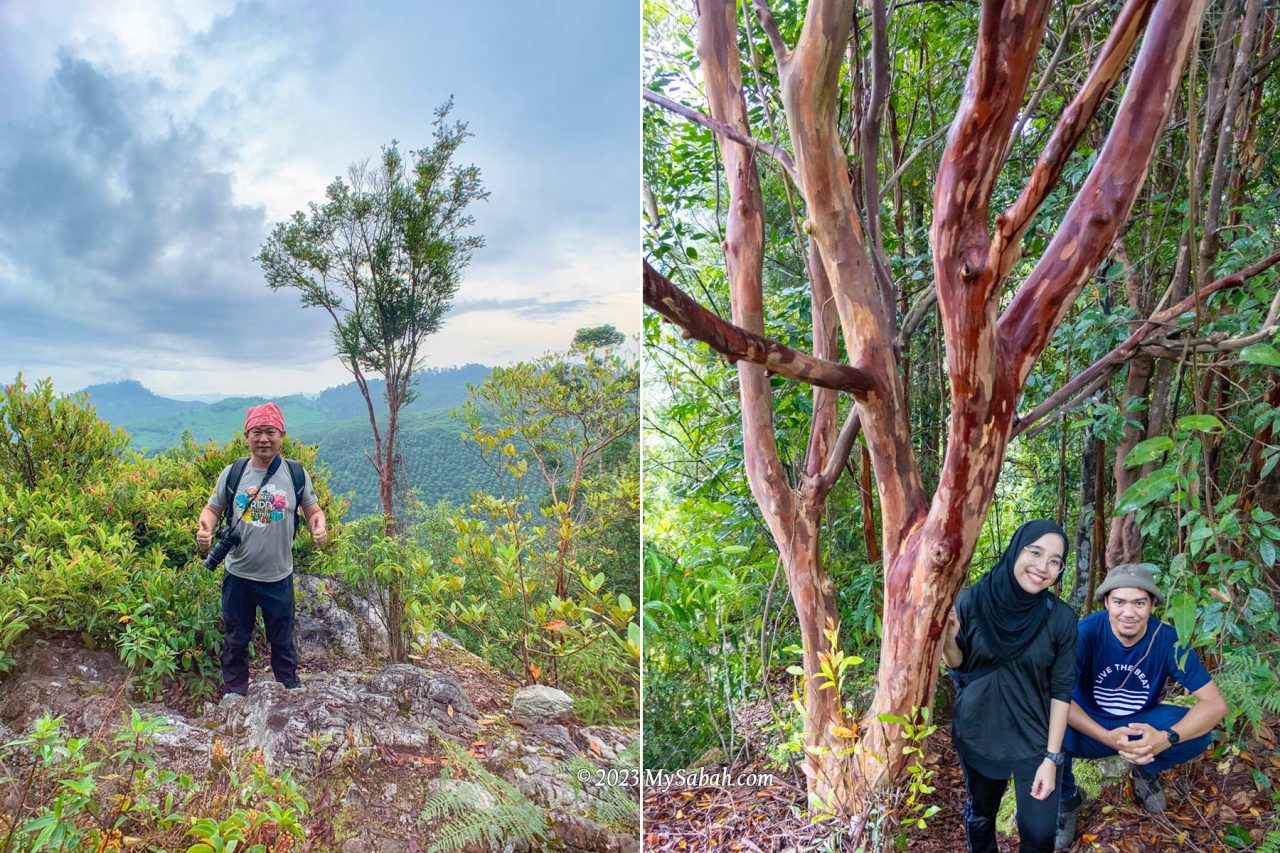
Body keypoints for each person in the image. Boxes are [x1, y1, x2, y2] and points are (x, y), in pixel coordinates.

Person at [1054, 563, 1227, 850]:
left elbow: (1215, 705)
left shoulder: (1167, 638)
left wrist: (1165, 738)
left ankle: (1145, 772)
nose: (1129, 612)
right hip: (1089, 726)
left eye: (1139, 602)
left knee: (1199, 732)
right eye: (1119, 601)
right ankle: (1067, 800)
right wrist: (1104, 736)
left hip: (1140, 725)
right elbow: (1059, 698)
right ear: (1107, 602)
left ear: (1153, 605)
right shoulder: (1085, 633)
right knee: (1040, 726)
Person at [942, 519, 1078, 853]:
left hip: (1033, 740)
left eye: (1054, 561)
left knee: (1039, 833)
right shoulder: (972, 600)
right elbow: (960, 663)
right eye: (1035, 552)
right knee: (981, 816)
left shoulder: (1060, 618)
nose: (1042, 567)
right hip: (979, 732)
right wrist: (946, 640)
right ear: (1017, 549)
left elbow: (1062, 690)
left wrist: (1052, 756)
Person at [196, 402, 328, 696]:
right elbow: (213, 508)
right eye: (257, 432)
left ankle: (289, 690)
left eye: (270, 432)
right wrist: (205, 527)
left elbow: (313, 509)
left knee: (281, 640)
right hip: (238, 575)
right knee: (235, 639)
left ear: (282, 435)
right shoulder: (234, 473)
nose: (264, 439)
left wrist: (319, 526)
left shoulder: (295, 474)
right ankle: (234, 693)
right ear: (247, 436)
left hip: (278, 577)